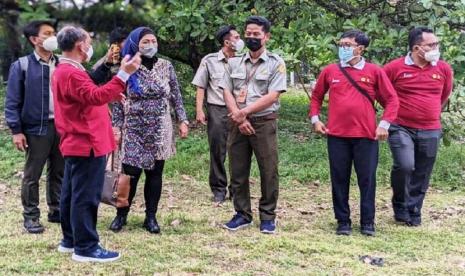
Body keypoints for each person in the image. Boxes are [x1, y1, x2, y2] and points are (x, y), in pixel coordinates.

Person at [52, 25, 141, 262]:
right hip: (86, 141)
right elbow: (94, 96)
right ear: (80, 45)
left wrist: (112, 92)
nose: (91, 45)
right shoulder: (71, 72)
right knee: (86, 196)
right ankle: (86, 247)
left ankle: (70, 239)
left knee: (72, 193)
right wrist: (123, 74)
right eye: (88, 41)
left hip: (77, 140)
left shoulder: (66, 70)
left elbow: (88, 95)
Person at [310, 30, 399, 236]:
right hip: (337, 135)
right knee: (339, 178)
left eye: (348, 44)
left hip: (366, 136)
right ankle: (343, 221)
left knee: (367, 180)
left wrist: (384, 124)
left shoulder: (374, 71)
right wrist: (315, 119)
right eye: (341, 44)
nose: (343, 48)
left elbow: (393, 100)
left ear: (361, 48)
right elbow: (316, 97)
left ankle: (368, 222)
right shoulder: (330, 71)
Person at [108, 27, 189, 234]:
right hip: (133, 127)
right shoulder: (126, 67)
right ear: (136, 44)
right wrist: (116, 127)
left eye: (153, 40)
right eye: (145, 41)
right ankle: (121, 215)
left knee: (155, 173)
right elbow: (116, 101)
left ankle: (150, 217)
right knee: (130, 173)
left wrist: (182, 120)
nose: (150, 45)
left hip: (160, 126)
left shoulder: (166, 66)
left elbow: (176, 95)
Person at [220, 16, 286, 234]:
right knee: (238, 170)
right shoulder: (233, 62)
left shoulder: (276, 63)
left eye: (256, 34)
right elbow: (226, 90)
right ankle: (242, 214)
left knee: (269, 171)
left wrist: (245, 113)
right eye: (248, 33)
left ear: (266, 36)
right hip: (237, 123)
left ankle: (267, 216)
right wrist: (238, 117)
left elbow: (274, 95)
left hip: (263, 123)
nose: (251, 37)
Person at [384, 27, 453, 226]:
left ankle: (413, 209)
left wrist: (429, 112)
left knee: (422, 171)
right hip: (400, 126)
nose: (436, 48)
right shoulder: (394, 68)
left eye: (437, 44)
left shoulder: (443, 68)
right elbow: (381, 90)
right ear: (417, 48)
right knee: (405, 165)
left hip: (431, 128)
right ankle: (399, 203)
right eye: (431, 45)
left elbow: (444, 95)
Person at [5, 20, 63, 234]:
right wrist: (16, 131)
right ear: (34, 39)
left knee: (59, 171)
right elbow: (12, 101)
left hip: (61, 126)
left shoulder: (62, 63)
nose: (52, 37)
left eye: (54, 32)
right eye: (47, 33)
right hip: (35, 128)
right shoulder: (22, 65)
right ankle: (31, 216)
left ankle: (56, 210)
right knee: (32, 175)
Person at [192, 25, 244, 203]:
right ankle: (218, 189)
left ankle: (237, 190)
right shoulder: (210, 60)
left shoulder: (244, 59)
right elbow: (201, 85)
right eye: (236, 37)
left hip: (240, 110)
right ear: (226, 41)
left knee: (239, 151)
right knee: (217, 150)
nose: (240, 40)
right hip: (217, 109)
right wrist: (199, 110)